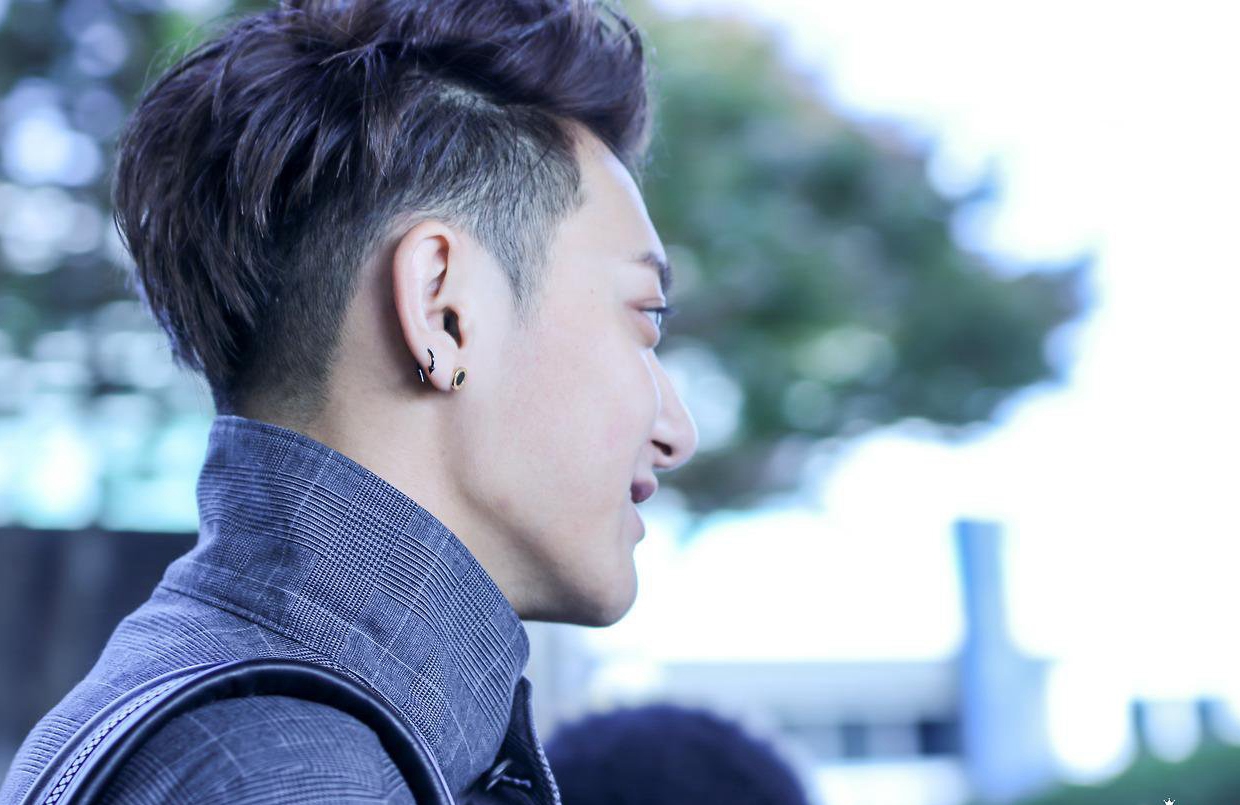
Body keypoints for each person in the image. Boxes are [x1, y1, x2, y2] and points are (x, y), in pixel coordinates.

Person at [0, 0, 698, 801]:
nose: (677, 432)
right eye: (645, 318)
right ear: (443, 310)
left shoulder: (230, 717)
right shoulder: (286, 772)